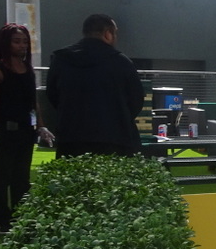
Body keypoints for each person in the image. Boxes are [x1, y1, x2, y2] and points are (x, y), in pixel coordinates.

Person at [46, 13, 145, 158]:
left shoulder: (61, 59)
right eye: (115, 33)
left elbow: (53, 95)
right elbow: (136, 99)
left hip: (71, 136)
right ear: (107, 34)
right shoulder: (120, 62)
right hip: (113, 137)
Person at [0, 24, 52, 233]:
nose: (22, 45)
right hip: (5, 131)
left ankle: (20, 218)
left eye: (24, 41)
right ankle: (0, 222)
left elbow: (34, 102)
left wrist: (41, 126)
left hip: (26, 131)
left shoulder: (28, 70)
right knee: (1, 178)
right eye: (17, 41)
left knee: (21, 178)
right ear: (6, 42)